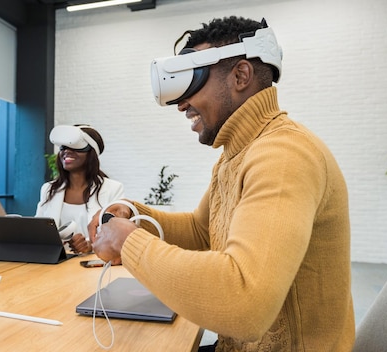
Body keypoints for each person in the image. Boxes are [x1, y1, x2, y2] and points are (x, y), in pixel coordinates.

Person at [91, 16, 355, 351]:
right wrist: (133, 214)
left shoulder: (284, 155)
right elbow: (203, 232)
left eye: (192, 81)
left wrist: (129, 244)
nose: (181, 103)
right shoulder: (238, 154)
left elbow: (244, 303)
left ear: (241, 76)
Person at [36, 124, 124, 254]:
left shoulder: (113, 189)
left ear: (91, 153)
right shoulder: (48, 189)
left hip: (93, 265)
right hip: (55, 263)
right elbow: (38, 231)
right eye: (63, 147)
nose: (66, 151)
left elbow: (118, 235)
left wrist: (91, 245)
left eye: (75, 147)